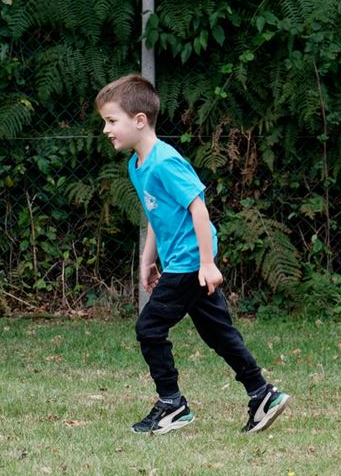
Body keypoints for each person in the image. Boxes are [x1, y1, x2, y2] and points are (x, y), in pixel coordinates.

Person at [96, 73, 291, 435]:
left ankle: (172, 404)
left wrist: (207, 263)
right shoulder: (137, 165)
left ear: (140, 120)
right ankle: (262, 393)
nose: (106, 130)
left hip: (190, 263)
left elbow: (198, 208)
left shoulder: (164, 161)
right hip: (181, 261)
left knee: (149, 328)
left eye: (111, 121)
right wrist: (148, 259)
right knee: (218, 333)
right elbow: (157, 214)